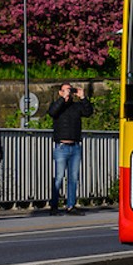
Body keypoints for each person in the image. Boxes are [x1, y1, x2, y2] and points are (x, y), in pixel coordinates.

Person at [47, 81, 95, 215]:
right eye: (65, 90)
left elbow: (89, 112)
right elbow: (52, 112)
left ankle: (71, 205)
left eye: (70, 90)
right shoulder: (57, 105)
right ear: (60, 92)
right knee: (59, 177)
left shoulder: (76, 106)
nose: (68, 92)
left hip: (75, 147)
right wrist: (63, 99)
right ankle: (54, 206)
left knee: (73, 177)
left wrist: (83, 98)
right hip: (61, 147)